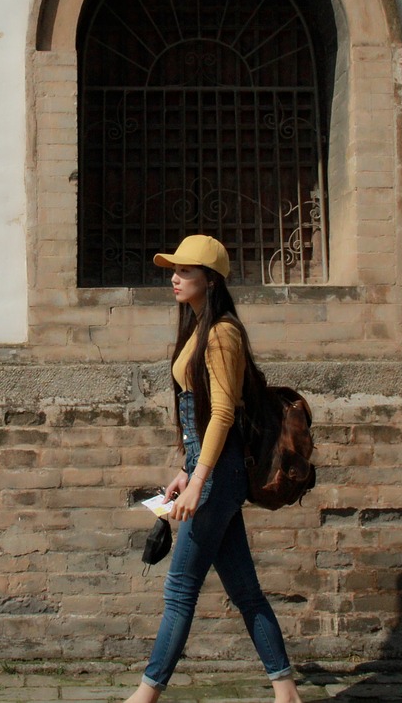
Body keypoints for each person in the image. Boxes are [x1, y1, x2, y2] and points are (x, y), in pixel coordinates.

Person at [123, 235, 304, 703]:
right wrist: (186, 470)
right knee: (246, 592)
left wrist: (198, 483)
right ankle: (287, 694)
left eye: (185, 270)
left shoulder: (222, 331)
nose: (175, 278)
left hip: (219, 475)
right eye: (174, 270)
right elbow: (199, 417)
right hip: (209, 469)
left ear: (211, 279)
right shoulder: (200, 326)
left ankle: (145, 696)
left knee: (180, 589)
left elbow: (223, 412)